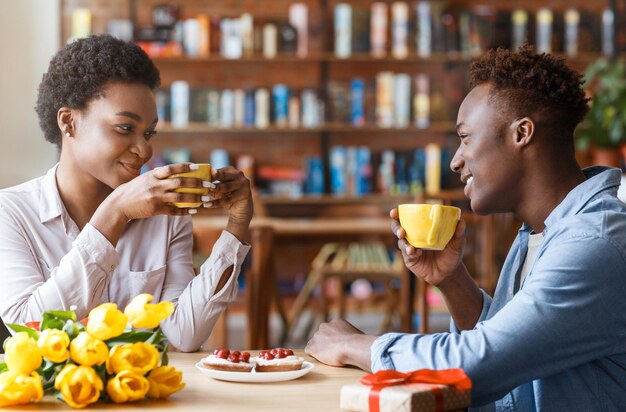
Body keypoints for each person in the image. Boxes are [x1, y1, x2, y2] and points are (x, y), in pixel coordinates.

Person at [305, 44, 626, 410]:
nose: (456, 161)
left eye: (465, 137)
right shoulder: (539, 233)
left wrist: (355, 344)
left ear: (521, 134)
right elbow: (514, 351)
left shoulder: (592, 243)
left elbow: (478, 364)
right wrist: (452, 279)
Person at [0, 34, 253, 352]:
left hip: (144, 397)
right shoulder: (11, 213)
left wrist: (237, 226)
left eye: (148, 133)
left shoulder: (166, 217)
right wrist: (114, 213)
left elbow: (183, 336)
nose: (144, 149)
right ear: (69, 122)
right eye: (124, 128)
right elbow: (30, 330)